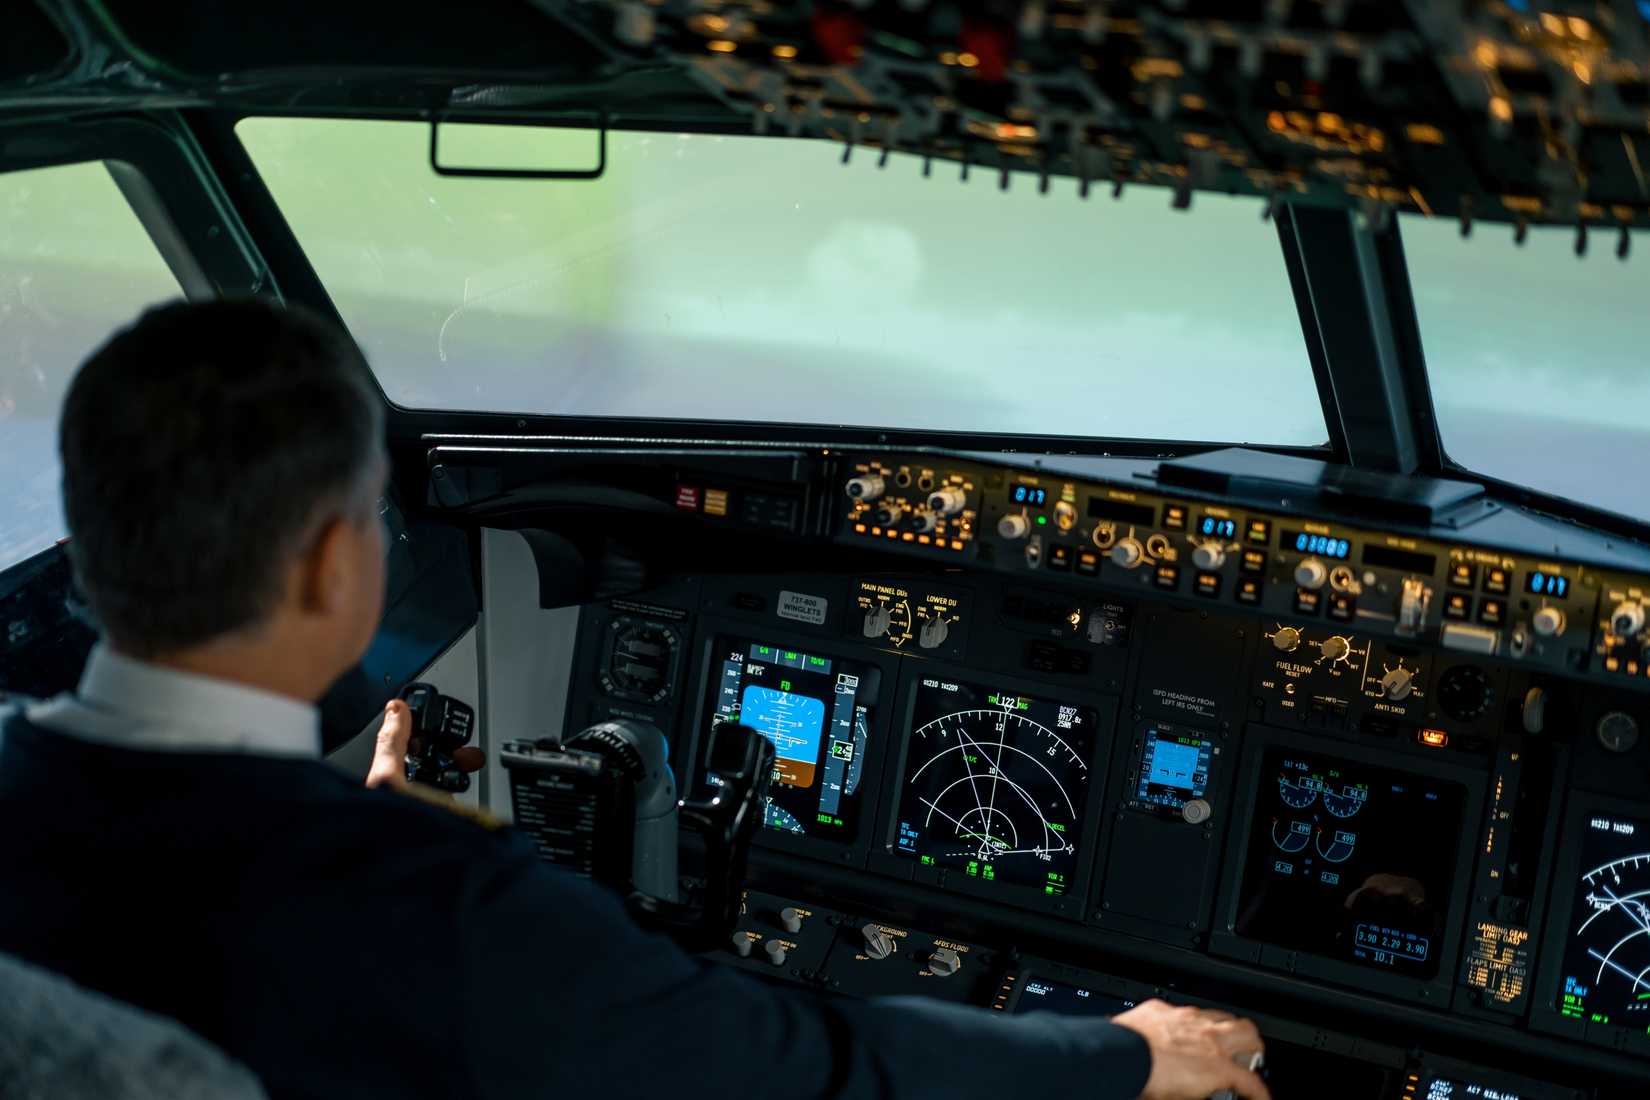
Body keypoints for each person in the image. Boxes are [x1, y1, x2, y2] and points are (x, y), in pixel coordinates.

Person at [0, 298, 1271, 1100]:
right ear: (337, 564)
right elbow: (810, 1067)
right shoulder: (451, 912)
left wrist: (373, 829)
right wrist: (1129, 1049)